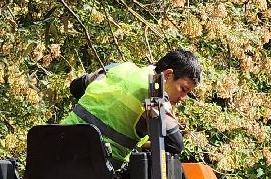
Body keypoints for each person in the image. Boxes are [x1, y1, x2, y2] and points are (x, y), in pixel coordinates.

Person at [61, 49, 201, 164]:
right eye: (183, 89)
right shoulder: (155, 90)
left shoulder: (117, 68)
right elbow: (175, 144)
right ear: (168, 75)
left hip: (58, 148)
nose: (183, 98)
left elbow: (75, 87)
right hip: (97, 168)